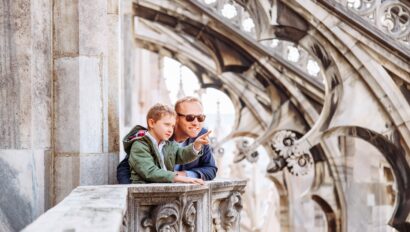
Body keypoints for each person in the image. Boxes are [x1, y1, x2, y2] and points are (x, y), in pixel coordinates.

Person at [117, 96, 218, 184]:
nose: (196, 123)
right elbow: (126, 167)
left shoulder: (201, 136)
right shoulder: (156, 134)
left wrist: (184, 175)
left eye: (200, 118)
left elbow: (211, 169)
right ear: (176, 118)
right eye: (190, 117)